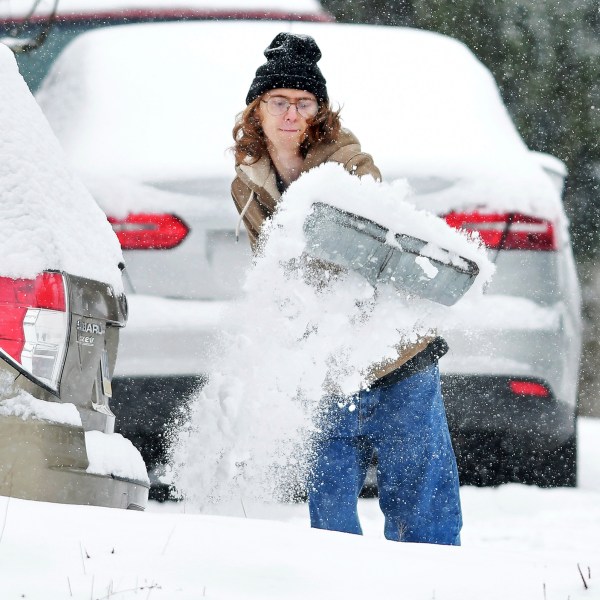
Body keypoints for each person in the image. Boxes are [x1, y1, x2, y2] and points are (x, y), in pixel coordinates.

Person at [231, 32, 462, 545]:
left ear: (320, 111)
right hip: (327, 363)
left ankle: (435, 585)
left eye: (304, 102)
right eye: (278, 102)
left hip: (397, 354)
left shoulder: (350, 165)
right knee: (330, 508)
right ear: (257, 110)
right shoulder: (247, 182)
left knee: (420, 504)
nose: (291, 114)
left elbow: (374, 255)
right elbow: (272, 270)